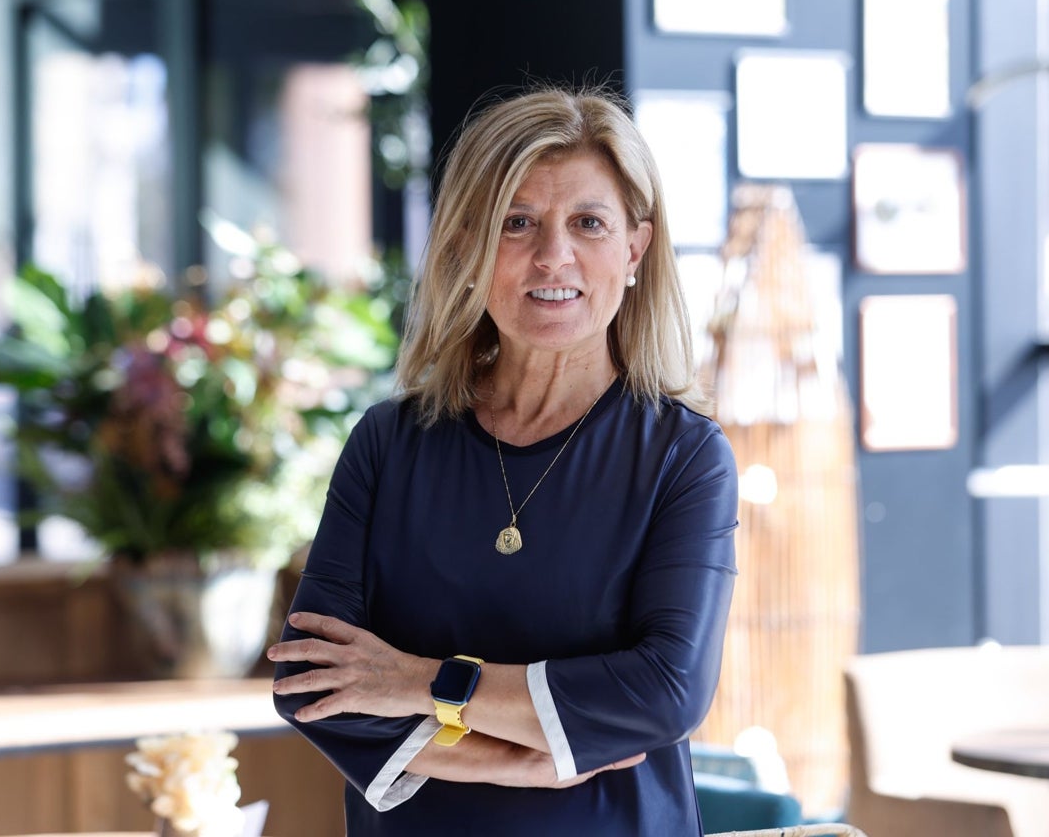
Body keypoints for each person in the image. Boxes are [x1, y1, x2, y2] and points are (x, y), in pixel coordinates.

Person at [267, 86, 739, 836]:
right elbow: (310, 681)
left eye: (588, 222)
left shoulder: (683, 457)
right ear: (469, 248)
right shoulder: (390, 444)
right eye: (516, 223)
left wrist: (419, 683)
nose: (553, 255)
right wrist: (513, 759)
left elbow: (662, 693)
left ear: (635, 250)